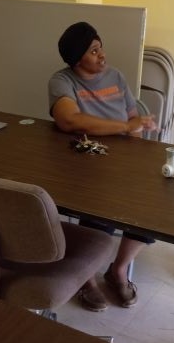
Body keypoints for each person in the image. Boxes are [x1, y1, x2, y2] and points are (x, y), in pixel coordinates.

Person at [48, 21, 157, 312]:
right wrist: (124, 127)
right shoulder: (63, 81)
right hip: (86, 162)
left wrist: (138, 127)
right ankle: (86, 279)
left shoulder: (117, 77)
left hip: (124, 161)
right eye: (93, 51)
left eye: (100, 47)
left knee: (152, 209)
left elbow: (134, 121)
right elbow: (69, 121)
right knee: (99, 212)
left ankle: (118, 270)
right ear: (76, 59)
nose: (102, 55)